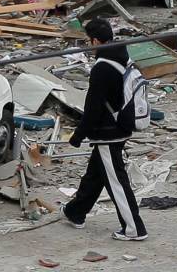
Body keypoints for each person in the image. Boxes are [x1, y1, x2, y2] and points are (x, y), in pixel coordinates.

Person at [60, 18, 148, 241]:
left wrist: (78, 135)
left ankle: (134, 229)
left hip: (108, 132)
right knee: (95, 174)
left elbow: (94, 106)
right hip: (119, 126)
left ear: (95, 40)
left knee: (116, 181)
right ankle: (75, 212)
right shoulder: (121, 57)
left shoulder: (102, 67)